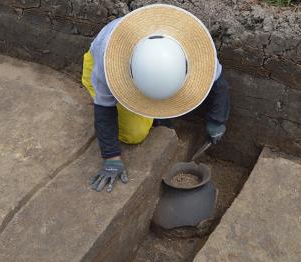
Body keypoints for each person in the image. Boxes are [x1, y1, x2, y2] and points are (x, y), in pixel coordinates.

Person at [81, 4, 230, 192]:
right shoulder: (107, 66)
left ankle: (158, 117)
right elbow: (104, 110)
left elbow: (219, 84)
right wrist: (111, 158)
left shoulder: (196, 51)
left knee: (158, 120)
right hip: (96, 62)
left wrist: (217, 121)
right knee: (135, 133)